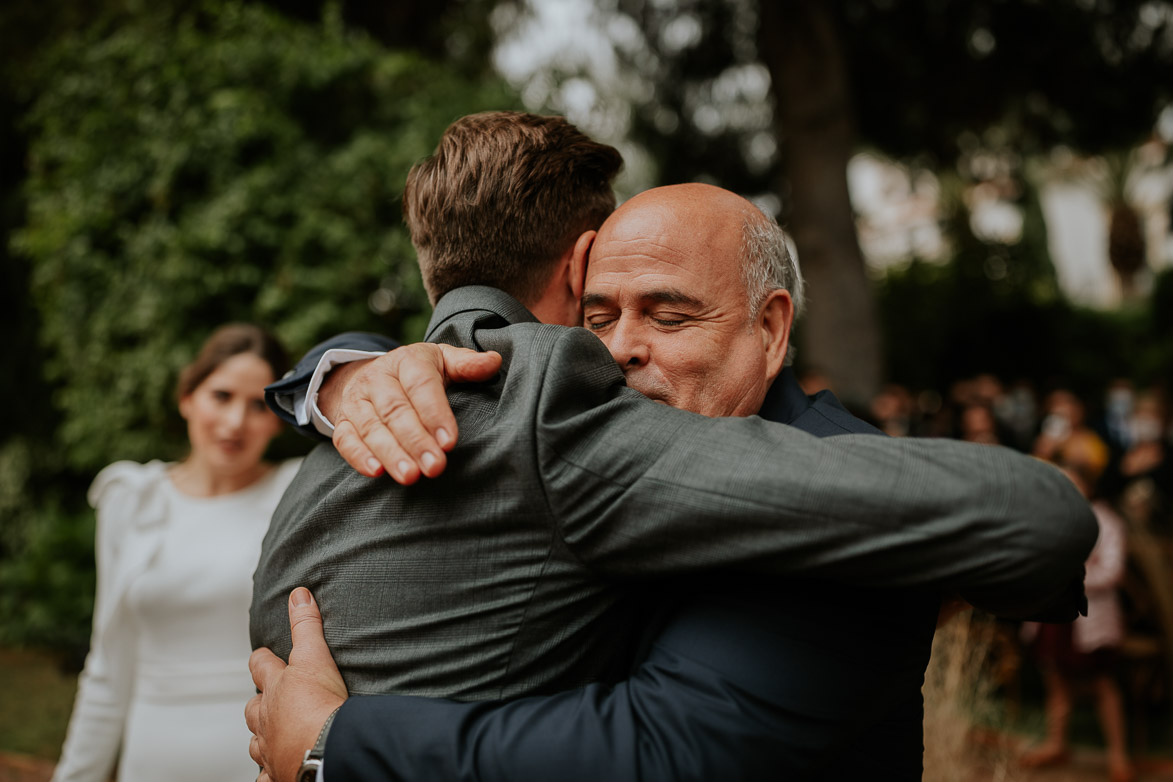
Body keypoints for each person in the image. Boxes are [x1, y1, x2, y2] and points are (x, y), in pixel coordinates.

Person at [246, 113, 1095, 782]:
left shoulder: (836, 487)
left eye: (669, 314)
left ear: (770, 329)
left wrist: (338, 747)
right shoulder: (428, 410)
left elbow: (667, 752)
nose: (615, 352)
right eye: (597, 319)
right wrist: (333, 374)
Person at [52, 324, 302, 782]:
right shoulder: (131, 498)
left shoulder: (296, 491)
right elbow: (108, 666)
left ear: (277, 418)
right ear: (188, 396)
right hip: (151, 755)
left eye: (256, 405)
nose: (234, 424)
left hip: (257, 755)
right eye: (221, 396)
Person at [1021, 431, 1134, 782]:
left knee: (1102, 684)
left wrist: (1073, 576)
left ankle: (1118, 754)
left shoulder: (1108, 521)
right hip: (1058, 614)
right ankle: (1057, 743)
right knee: (1056, 679)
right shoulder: (1053, 517)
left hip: (1090, 616)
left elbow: (1111, 571)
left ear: (1088, 484)